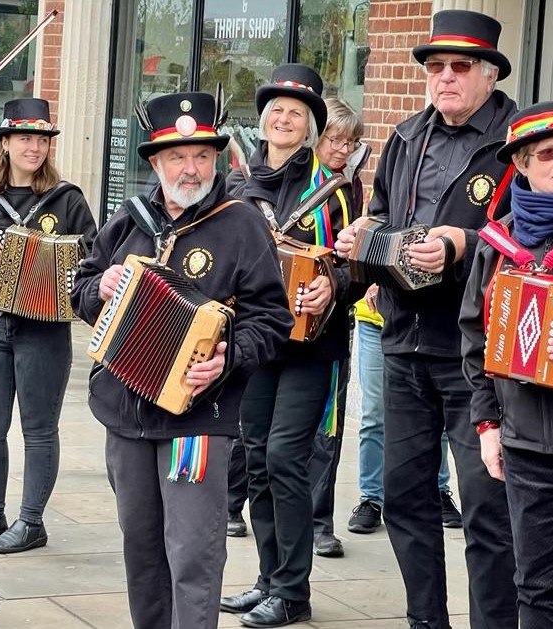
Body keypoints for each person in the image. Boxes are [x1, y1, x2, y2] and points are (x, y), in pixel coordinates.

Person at [70, 90, 293, 629]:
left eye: (201, 156)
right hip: (124, 414)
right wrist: (102, 285)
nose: (190, 169)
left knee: (193, 552)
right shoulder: (130, 220)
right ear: (155, 161)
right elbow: (79, 289)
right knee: (141, 548)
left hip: (198, 418)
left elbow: (273, 319)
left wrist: (227, 356)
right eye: (177, 156)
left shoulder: (240, 223)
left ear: (216, 159)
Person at [334, 10, 519, 629]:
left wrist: (463, 246)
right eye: (434, 67)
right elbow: (383, 210)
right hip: (403, 342)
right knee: (405, 499)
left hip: (478, 356)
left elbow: (538, 236)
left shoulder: (516, 141)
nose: (444, 78)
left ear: (489, 73)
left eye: (459, 67)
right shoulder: (408, 134)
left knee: (488, 509)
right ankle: (425, 621)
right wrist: (366, 232)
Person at [219, 64, 357, 628]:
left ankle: (293, 591)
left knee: (284, 457)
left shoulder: (334, 189)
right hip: (255, 344)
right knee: (254, 460)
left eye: (295, 114)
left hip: (311, 346)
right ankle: (268, 578)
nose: (283, 118)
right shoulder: (236, 188)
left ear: (310, 127)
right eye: (276, 109)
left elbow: (354, 262)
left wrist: (335, 283)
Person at [461, 101, 553, 629]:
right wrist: (488, 425)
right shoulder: (497, 244)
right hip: (524, 451)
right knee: (536, 593)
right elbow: (474, 339)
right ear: (520, 164)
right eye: (548, 153)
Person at [0, 98, 97, 553]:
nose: (34, 147)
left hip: (45, 330)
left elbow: (94, 259)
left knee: (39, 427)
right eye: (24, 138)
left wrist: (63, 259)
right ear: (4, 142)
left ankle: (32, 522)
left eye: (42, 139)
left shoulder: (68, 199)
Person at [306, 97, 369, 559]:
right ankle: (234, 502)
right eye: (334, 139)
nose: (342, 149)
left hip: (334, 318)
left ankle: (320, 521)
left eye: (351, 142)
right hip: (286, 316)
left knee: (329, 421)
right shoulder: (295, 180)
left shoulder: (350, 188)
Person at [346, 289, 463, 535]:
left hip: (426, 322)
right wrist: (373, 280)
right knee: (373, 416)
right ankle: (371, 498)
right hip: (374, 320)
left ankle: (439, 490)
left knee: (437, 418)